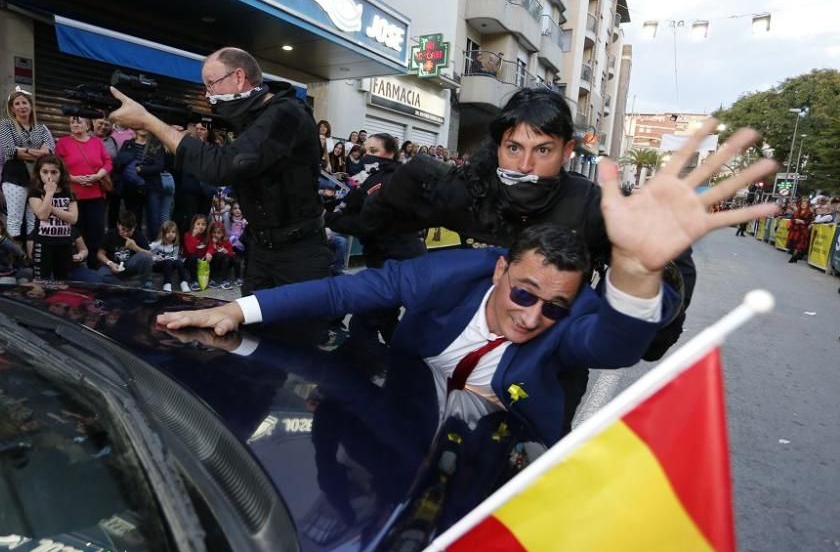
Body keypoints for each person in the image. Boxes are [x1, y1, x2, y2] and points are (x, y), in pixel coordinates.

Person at [158, 129, 778, 444]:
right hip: (398, 417)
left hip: (505, 448)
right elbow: (344, 294)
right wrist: (237, 308)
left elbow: (615, 344)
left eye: (554, 308)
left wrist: (638, 273)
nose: (535, 317)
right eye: (525, 295)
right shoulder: (450, 270)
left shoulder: (572, 315)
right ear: (500, 269)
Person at [353, 87, 699, 424]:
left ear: (566, 152)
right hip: (445, 354)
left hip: (543, 372)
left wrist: (641, 307)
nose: (525, 164)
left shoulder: (593, 206)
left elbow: (669, 270)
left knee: (522, 473)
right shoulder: (467, 188)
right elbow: (379, 229)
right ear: (499, 146)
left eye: (543, 150)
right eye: (514, 148)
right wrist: (399, 188)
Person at [108, 47, 332, 295]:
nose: (208, 95)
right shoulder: (254, 119)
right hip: (262, 249)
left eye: (212, 84)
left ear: (238, 77)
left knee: (298, 329)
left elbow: (224, 165)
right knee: (254, 328)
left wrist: (150, 122)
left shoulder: (286, 113)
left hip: (298, 253)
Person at [328, 132, 427, 340]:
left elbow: (368, 223)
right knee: (383, 318)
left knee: (367, 319)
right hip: (382, 256)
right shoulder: (372, 177)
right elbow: (354, 207)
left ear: (390, 153)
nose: (367, 156)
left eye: (374, 151)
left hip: (397, 257)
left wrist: (329, 220)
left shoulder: (392, 180)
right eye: (365, 151)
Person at [0, 88, 54, 242]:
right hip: (14, 177)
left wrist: (23, 150)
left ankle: (31, 258)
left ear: (31, 105)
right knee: (14, 220)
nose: (21, 106)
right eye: (17, 103)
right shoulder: (6, 126)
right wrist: (37, 152)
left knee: (33, 220)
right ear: (12, 108)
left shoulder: (42, 128)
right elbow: (9, 152)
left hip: (35, 177)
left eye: (24, 102)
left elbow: (50, 153)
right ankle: (15, 259)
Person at [55, 115, 112, 268]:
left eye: (78, 122)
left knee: (97, 231)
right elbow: (57, 166)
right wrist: (73, 178)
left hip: (96, 195)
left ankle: (95, 264)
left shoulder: (97, 142)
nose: (75, 125)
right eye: (72, 122)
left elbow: (108, 162)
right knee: (78, 231)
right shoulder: (63, 142)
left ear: (88, 125)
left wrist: (98, 175)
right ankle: (78, 264)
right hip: (74, 195)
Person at [27, 155, 78, 281]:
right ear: (39, 173)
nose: (49, 176)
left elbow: (73, 218)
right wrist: (49, 193)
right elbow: (42, 215)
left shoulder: (68, 193)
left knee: (63, 281)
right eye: (45, 172)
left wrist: (52, 209)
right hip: (44, 243)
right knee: (41, 282)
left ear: (61, 173)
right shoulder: (35, 193)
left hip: (64, 243)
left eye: (54, 172)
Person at [96, 210, 153, 288]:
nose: (125, 233)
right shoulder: (110, 234)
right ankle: (125, 287)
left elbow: (150, 256)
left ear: (134, 227)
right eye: (123, 229)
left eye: (129, 231)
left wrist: (135, 247)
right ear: (118, 224)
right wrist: (110, 263)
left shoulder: (138, 235)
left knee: (144, 257)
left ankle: (147, 287)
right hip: (113, 266)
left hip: (129, 266)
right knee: (101, 274)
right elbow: (100, 254)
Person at [150, 220, 191, 293]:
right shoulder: (158, 243)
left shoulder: (175, 245)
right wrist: (154, 258)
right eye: (168, 232)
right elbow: (148, 249)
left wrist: (173, 259)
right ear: (163, 233)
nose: (171, 234)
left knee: (178, 262)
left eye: (173, 232)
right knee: (168, 261)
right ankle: (167, 284)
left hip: (170, 264)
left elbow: (175, 257)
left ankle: (184, 283)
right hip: (157, 264)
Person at [206, 222, 242, 289]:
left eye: (219, 233)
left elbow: (231, 252)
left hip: (225, 262)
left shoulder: (226, 241)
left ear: (223, 233)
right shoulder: (210, 241)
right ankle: (215, 280)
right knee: (220, 255)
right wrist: (214, 244)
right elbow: (209, 250)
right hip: (214, 263)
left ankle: (237, 278)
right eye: (214, 232)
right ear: (211, 233)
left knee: (235, 259)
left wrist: (227, 251)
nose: (216, 235)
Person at [182, 213, 210, 291]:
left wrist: (209, 253)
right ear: (193, 225)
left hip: (202, 260)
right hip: (190, 261)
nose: (200, 226)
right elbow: (191, 251)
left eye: (203, 224)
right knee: (193, 257)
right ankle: (194, 281)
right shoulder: (187, 235)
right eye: (198, 224)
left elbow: (210, 247)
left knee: (212, 256)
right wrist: (193, 237)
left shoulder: (206, 236)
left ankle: (210, 279)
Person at [786, 197, 814, 263]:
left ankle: (793, 257)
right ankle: (795, 257)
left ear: (807, 205)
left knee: (799, 244)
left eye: (805, 204)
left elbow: (809, 221)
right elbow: (792, 219)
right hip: (795, 230)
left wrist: (801, 221)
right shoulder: (797, 211)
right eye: (802, 204)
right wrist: (795, 220)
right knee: (794, 244)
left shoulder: (810, 213)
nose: (803, 205)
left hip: (803, 231)